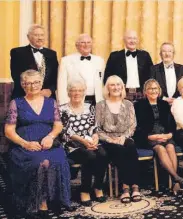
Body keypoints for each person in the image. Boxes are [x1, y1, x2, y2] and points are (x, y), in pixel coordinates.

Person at [4, 70, 71, 217]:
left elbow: (58, 125)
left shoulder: (51, 102)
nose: (33, 86)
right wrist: (25, 143)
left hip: (49, 143)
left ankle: (55, 200)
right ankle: (41, 202)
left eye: (36, 82)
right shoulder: (16, 103)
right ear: (22, 85)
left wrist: (51, 137)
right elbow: (9, 131)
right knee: (41, 162)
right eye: (28, 83)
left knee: (58, 159)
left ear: (41, 84)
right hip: (25, 146)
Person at [134, 79, 183, 194]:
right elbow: (137, 127)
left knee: (170, 147)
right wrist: (151, 137)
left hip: (165, 135)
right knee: (160, 148)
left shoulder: (164, 104)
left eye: (155, 88)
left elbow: (172, 124)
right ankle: (176, 180)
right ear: (145, 91)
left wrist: (169, 134)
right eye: (150, 88)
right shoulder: (139, 105)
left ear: (159, 90)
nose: (153, 91)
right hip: (149, 137)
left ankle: (175, 182)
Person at [59, 79, 108, 206]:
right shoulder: (62, 109)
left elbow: (94, 127)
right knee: (90, 155)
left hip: (90, 141)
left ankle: (98, 187)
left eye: (80, 90)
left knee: (103, 154)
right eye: (73, 90)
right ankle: (85, 190)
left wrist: (95, 137)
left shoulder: (89, 107)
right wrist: (83, 141)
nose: (77, 93)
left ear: (84, 92)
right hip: (72, 145)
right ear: (68, 92)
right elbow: (65, 132)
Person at [96, 75, 140, 203]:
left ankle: (132, 186)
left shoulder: (128, 104)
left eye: (118, 84)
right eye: (112, 85)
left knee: (130, 146)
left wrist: (123, 137)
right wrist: (111, 140)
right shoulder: (100, 105)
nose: (116, 87)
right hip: (107, 140)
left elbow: (133, 125)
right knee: (121, 150)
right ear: (107, 88)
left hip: (124, 137)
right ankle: (127, 187)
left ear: (122, 87)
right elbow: (97, 129)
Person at [10, 24, 59, 99]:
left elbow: (56, 75)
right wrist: (32, 91)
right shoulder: (17, 52)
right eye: (36, 35)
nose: (40, 38)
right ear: (28, 37)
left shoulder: (52, 54)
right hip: (24, 96)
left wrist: (50, 90)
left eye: (42, 35)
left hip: (47, 96)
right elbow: (16, 76)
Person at [103, 30, 154, 100]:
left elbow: (151, 76)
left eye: (134, 38)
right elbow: (107, 78)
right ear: (124, 40)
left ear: (138, 40)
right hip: (120, 94)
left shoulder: (145, 56)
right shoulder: (114, 56)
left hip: (142, 95)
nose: (132, 41)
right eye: (129, 38)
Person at [56, 34, 105, 105]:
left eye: (88, 42)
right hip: (74, 101)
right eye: (83, 42)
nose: (86, 45)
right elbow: (61, 85)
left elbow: (103, 83)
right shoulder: (66, 61)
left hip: (97, 101)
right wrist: (64, 104)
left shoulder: (100, 60)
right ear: (77, 45)